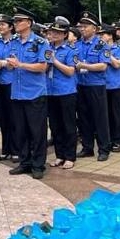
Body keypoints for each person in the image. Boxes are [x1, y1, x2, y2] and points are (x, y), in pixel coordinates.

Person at [5, 7, 50, 179]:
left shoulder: (40, 43)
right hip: (17, 93)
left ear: (29, 23)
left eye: (19, 21)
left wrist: (20, 64)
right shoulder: (14, 42)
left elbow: (42, 67)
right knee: (20, 131)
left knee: (37, 131)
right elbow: (12, 64)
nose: (15, 24)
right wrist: (9, 64)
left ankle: (38, 165)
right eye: (14, 21)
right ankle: (25, 162)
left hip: (35, 93)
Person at [75, 12, 111, 161]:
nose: (82, 29)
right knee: (84, 118)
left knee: (100, 118)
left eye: (86, 26)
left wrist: (85, 65)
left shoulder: (102, 45)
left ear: (95, 29)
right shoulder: (76, 45)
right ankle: (87, 147)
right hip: (80, 84)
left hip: (96, 85)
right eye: (81, 26)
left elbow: (103, 66)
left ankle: (104, 149)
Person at [45, 18, 77, 169]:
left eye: (59, 32)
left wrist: (55, 61)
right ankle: (59, 155)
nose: (55, 35)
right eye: (53, 32)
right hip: (50, 91)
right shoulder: (47, 48)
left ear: (65, 34)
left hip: (66, 91)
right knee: (55, 125)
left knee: (68, 125)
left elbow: (71, 71)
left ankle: (70, 156)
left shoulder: (70, 51)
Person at [0, 14, 16, 161]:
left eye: (3, 24)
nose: (0, 27)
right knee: (3, 118)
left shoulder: (15, 42)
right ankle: (5, 148)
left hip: (12, 82)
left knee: (14, 118)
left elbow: (14, 62)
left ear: (10, 27)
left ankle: (16, 149)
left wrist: (3, 63)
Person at [102, 25, 120, 152]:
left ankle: (118, 140)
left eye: (103, 34)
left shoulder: (118, 48)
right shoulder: (100, 48)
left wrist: (107, 54)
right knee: (106, 114)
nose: (101, 37)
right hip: (103, 85)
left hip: (115, 85)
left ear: (110, 36)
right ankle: (109, 139)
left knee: (116, 113)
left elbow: (117, 64)